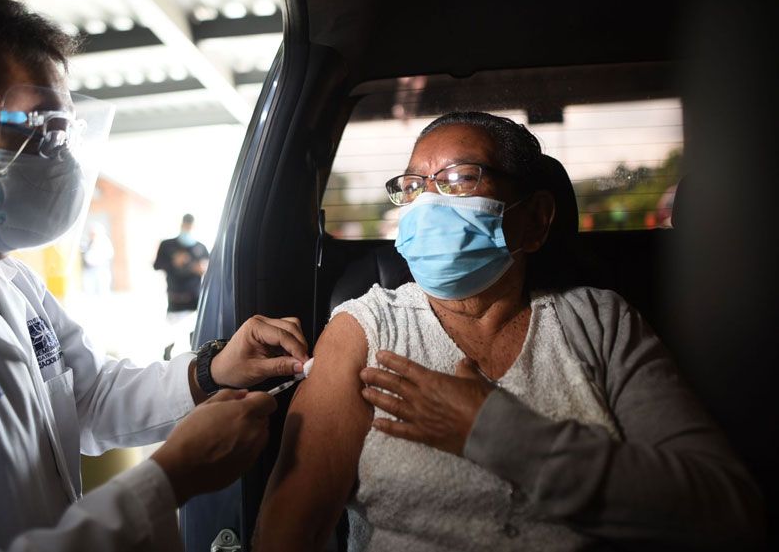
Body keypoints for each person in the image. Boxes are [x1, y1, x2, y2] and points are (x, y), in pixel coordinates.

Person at [0, 0, 309, 551]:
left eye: (66, 132)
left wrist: (212, 371)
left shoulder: (7, 279)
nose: (58, 159)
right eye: (36, 130)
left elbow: (90, 396)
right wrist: (171, 477)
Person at [254, 112, 764, 551]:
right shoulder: (367, 329)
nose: (428, 206)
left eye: (460, 178)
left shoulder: (598, 322)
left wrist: (497, 432)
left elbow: (726, 509)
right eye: (413, 186)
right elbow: (286, 535)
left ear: (535, 220)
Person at [154, 213, 209, 315]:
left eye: (190, 226)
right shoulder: (167, 245)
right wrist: (173, 262)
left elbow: (209, 270)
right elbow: (156, 265)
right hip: (174, 300)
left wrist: (202, 269)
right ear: (181, 225)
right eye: (186, 225)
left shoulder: (201, 248)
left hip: (195, 301)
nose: (188, 229)